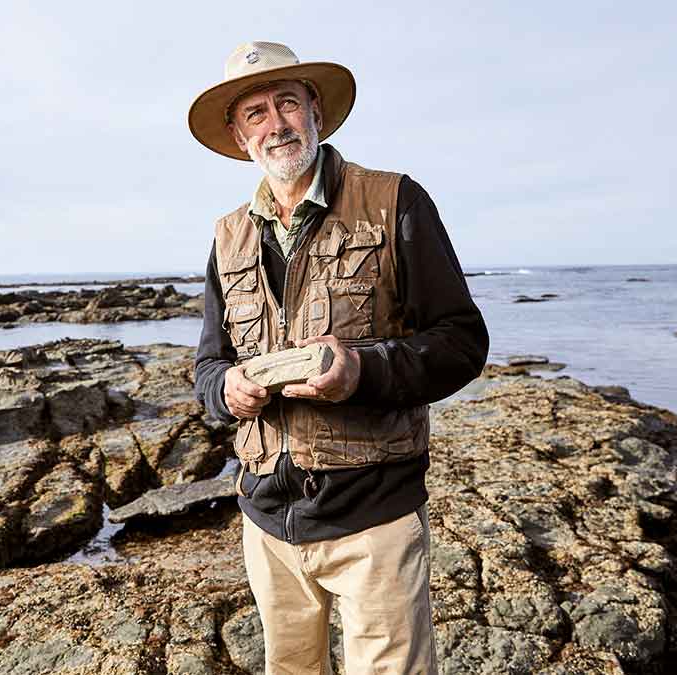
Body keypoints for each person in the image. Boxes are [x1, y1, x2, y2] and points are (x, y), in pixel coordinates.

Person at [189, 41, 489, 674]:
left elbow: (462, 340)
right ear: (239, 136)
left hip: (375, 517)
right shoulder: (226, 236)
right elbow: (209, 365)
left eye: (286, 103)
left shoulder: (394, 200)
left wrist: (361, 370)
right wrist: (228, 391)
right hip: (267, 520)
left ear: (315, 111)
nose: (275, 125)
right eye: (255, 114)